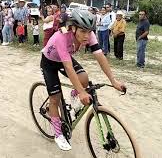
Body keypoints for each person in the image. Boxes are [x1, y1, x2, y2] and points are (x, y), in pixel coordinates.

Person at [40, 9, 126, 151]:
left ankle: (73, 99)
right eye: (83, 32)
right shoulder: (61, 37)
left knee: (84, 78)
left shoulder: (89, 35)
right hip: (49, 62)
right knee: (55, 98)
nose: (86, 36)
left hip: (64, 59)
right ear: (73, 28)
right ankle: (58, 134)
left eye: (89, 31)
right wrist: (81, 92)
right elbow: (69, 68)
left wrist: (113, 81)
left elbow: (100, 57)